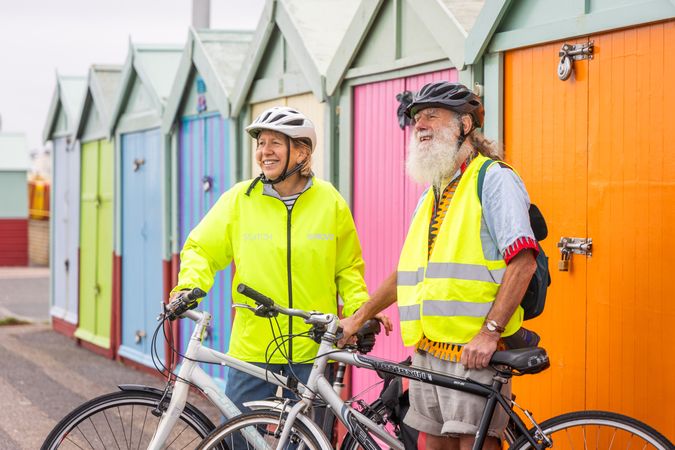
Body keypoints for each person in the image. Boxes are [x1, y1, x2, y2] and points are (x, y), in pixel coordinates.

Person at [339, 81, 538, 450]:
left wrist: (490, 332)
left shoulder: (492, 179)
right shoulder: (433, 191)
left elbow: (523, 261)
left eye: (432, 114)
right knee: (430, 443)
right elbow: (407, 272)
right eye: (416, 117)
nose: (420, 124)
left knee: (471, 442)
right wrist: (358, 315)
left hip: (473, 350)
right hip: (428, 352)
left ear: (464, 125)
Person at [169, 106, 391, 420]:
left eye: (275, 142)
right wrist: (190, 286)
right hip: (252, 347)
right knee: (236, 438)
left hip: (311, 347)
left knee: (305, 440)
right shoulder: (239, 200)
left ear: (301, 152)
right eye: (260, 143)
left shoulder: (329, 201)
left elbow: (348, 268)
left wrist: (359, 311)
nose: (264, 151)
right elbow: (201, 249)